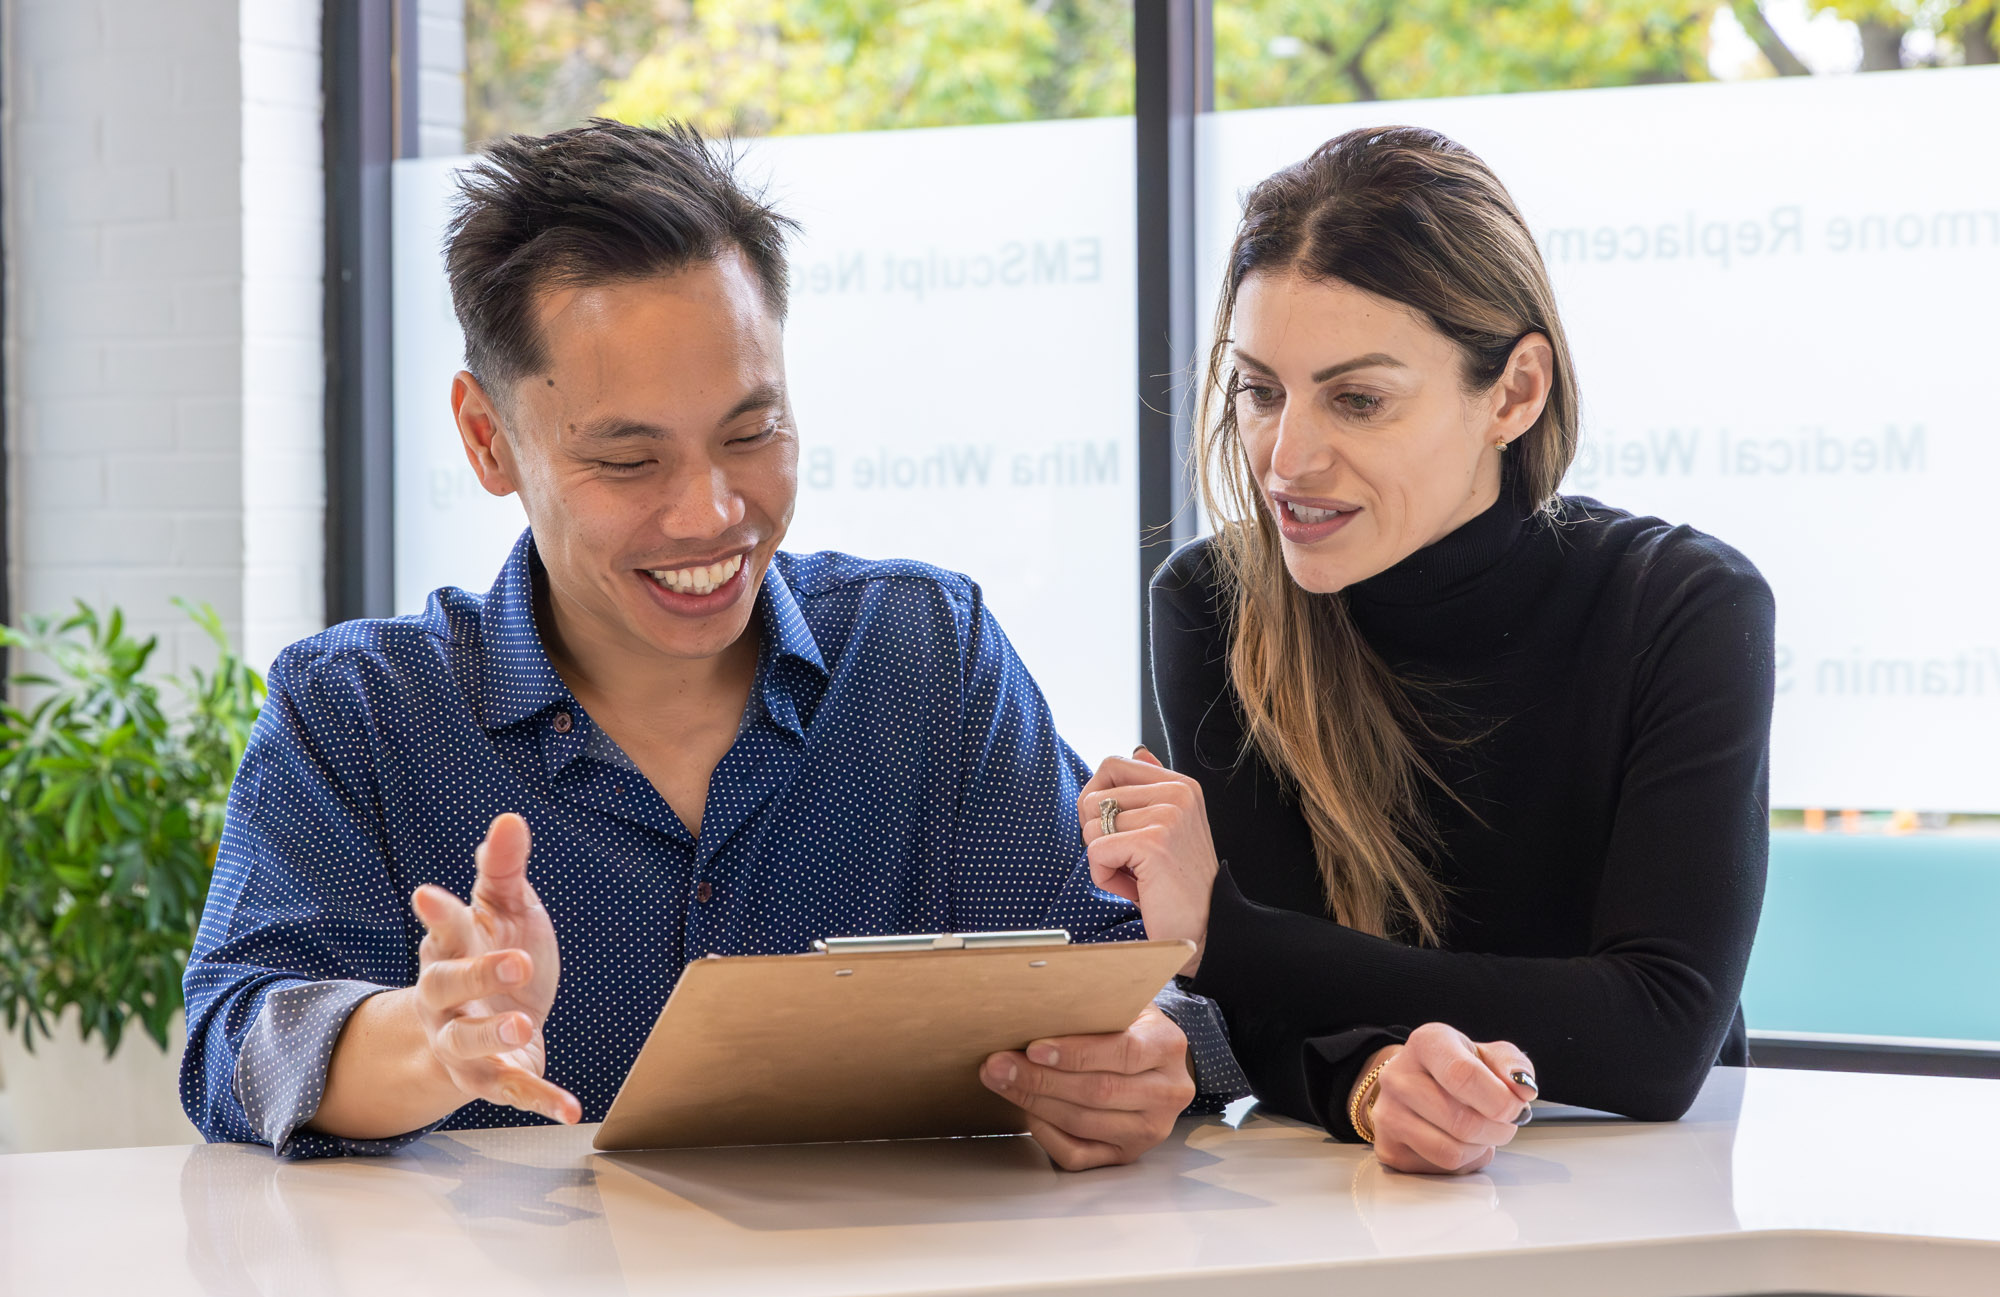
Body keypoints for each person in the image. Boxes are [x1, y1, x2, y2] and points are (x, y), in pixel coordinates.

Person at [181, 120, 1224, 1169]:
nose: (709, 514)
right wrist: (436, 1040)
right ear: (486, 439)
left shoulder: (922, 653)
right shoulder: (358, 711)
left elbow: (1105, 979)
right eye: (628, 461)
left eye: (749, 434)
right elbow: (242, 1037)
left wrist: (1139, 1058)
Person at [1081, 127, 1774, 1175]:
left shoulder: (1680, 605)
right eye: (1260, 389)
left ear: (1513, 391)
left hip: (1645, 1201)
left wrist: (1222, 934)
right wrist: (1369, 1089)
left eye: (1356, 398)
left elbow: (1657, 1035)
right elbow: (1269, 1026)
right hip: (1352, 1198)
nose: (1283, 457)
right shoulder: (1214, 607)